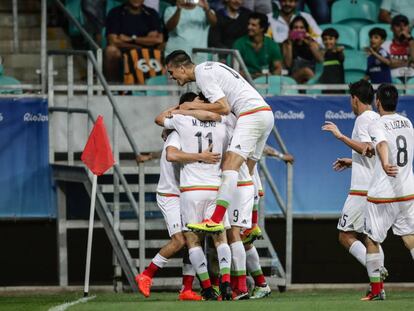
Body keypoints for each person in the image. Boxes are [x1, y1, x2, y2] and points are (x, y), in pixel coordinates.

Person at [164, 50, 274, 234]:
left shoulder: (202, 74)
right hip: (265, 113)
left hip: (250, 114)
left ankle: (215, 219)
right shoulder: (210, 66)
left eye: (171, 72)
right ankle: (253, 224)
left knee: (230, 165)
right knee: (249, 168)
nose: (171, 77)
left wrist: (193, 105)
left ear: (181, 68)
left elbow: (224, 107)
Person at [135, 93, 221, 300]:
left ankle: (187, 289)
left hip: (185, 192)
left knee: (194, 240)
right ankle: (146, 275)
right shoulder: (177, 131)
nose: (205, 109)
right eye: (201, 104)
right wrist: (201, 157)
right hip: (170, 194)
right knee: (180, 240)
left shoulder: (185, 129)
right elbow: (171, 155)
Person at [155, 99, 234, 301]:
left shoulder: (181, 120)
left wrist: (182, 108)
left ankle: (207, 288)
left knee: (193, 240)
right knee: (220, 237)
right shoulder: (223, 122)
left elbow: (159, 119)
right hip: (215, 186)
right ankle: (226, 282)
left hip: (191, 189)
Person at [321, 80, 387, 285]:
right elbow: (376, 152)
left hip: (361, 191)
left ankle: (377, 269)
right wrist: (352, 162)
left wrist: (340, 136)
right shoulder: (377, 118)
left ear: (354, 98)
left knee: (345, 235)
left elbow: (367, 148)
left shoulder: (362, 120)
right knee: (371, 238)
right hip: (377, 188)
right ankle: (378, 285)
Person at [362, 83, 414, 300]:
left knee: (371, 240)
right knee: (410, 237)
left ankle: (376, 291)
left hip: (383, 194)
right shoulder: (407, 122)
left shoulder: (377, 122)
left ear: (378, 102)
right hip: (407, 190)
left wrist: (384, 163)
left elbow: (383, 144)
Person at [104, 0, 164, 82]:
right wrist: (143, 42)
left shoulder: (151, 13)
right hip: (124, 52)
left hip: (147, 53)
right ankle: (113, 86)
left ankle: (157, 85)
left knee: (165, 47)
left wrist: (132, 39)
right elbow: (113, 41)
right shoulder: (115, 13)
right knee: (111, 50)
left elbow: (158, 39)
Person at [233, 12, 283, 78]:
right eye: (249, 24)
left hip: (266, 82)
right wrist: (253, 77)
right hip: (245, 81)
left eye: (253, 25)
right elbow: (234, 68)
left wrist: (269, 76)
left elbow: (278, 68)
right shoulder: (239, 43)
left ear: (262, 28)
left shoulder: (272, 44)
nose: (249, 27)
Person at [282, 15, 323, 84]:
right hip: (293, 78)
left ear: (306, 30)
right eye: (295, 28)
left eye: (302, 28)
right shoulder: (287, 43)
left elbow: (320, 59)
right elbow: (288, 64)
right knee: (306, 71)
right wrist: (290, 44)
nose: (299, 30)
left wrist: (310, 43)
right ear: (291, 30)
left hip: (311, 77)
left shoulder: (312, 42)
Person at [382, 14, 414, 82]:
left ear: (408, 27)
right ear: (391, 28)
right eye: (398, 25)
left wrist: (410, 40)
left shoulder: (412, 44)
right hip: (393, 80)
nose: (402, 28)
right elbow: (388, 64)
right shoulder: (385, 45)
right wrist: (409, 62)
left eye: (405, 25)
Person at [318, 27, 345, 93]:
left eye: (330, 39)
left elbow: (342, 57)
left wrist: (339, 51)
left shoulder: (338, 53)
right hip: (325, 89)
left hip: (338, 90)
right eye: (325, 39)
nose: (328, 41)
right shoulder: (322, 54)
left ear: (336, 40)